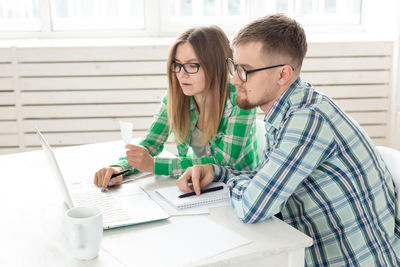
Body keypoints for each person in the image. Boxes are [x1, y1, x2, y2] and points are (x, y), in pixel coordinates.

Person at [176, 14, 400, 266]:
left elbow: (253, 206)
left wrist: (234, 182)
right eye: (234, 66)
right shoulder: (290, 111)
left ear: (283, 74)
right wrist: (217, 172)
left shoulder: (307, 119)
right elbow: (265, 179)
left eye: (245, 71)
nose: (234, 79)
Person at [94, 25, 259, 191]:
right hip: (198, 184)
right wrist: (119, 169)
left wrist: (153, 165)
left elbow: (224, 161)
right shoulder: (178, 94)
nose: (181, 74)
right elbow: (151, 143)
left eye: (192, 65)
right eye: (177, 64)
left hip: (238, 186)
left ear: (216, 65)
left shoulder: (241, 97)